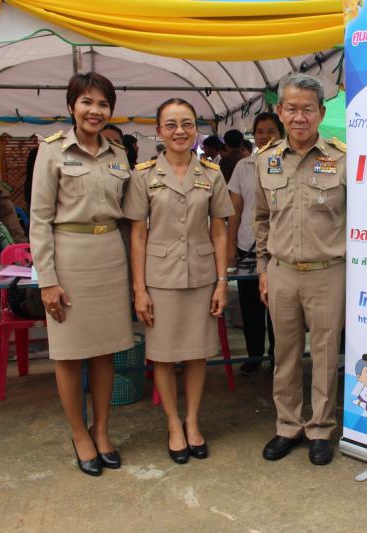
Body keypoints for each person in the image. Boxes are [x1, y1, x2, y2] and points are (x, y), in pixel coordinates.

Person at [30, 72, 134, 477]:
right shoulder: (52, 151)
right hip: (69, 259)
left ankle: (101, 430)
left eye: (103, 104)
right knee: (70, 354)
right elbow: (39, 221)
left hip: (110, 257)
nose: (95, 110)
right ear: (71, 106)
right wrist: (48, 281)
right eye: (87, 102)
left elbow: (127, 219)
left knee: (106, 351)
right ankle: (80, 434)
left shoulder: (118, 154)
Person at [123, 98, 233, 464]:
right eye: (170, 124)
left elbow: (219, 231)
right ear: (159, 131)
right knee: (164, 356)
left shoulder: (212, 174)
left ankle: (193, 422)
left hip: (201, 277)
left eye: (186, 123)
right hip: (160, 279)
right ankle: (173, 424)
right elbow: (138, 235)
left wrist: (222, 281)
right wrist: (139, 289)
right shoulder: (143, 175)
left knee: (198, 353)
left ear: (196, 130)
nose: (179, 131)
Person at [255, 73, 346, 466]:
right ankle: (288, 425)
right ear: (279, 111)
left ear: (321, 113)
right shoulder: (266, 160)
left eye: (308, 109)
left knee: (324, 355)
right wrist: (263, 268)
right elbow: (262, 219)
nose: (299, 117)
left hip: (328, 272)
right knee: (286, 353)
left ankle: (321, 428)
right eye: (291, 108)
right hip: (281, 272)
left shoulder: (342, 158)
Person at [227, 112, 283, 376]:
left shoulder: (287, 163)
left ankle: (277, 357)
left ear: (281, 134)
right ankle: (254, 355)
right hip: (247, 244)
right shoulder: (243, 166)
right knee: (250, 307)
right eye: (260, 131)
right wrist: (230, 246)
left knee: (278, 308)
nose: (264, 136)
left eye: (271, 131)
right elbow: (235, 209)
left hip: (279, 246)